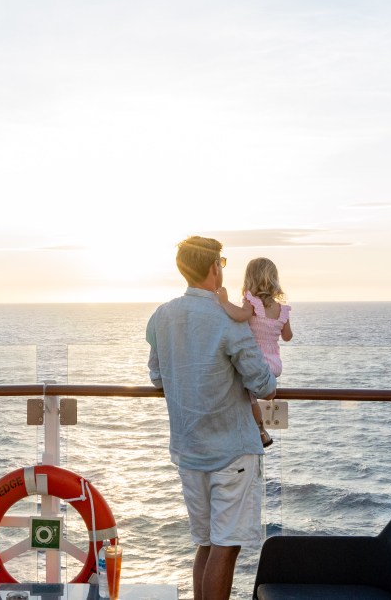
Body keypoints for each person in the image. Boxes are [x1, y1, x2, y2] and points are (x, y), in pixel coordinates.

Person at [147, 236, 278, 600]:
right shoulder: (226, 317)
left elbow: (157, 376)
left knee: (205, 543)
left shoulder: (162, 315)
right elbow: (264, 385)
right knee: (226, 545)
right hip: (230, 452)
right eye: (221, 261)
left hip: (189, 449)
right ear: (212, 267)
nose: (223, 268)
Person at [217, 257, 293, 448]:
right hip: (274, 364)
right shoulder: (282, 309)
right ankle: (269, 392)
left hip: (256, 361)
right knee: (258, 391)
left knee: (247, 396)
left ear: (250, 278)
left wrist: (224, 303)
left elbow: (240, 315)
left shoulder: (251, 301)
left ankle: (261, 431)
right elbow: (287, 336)